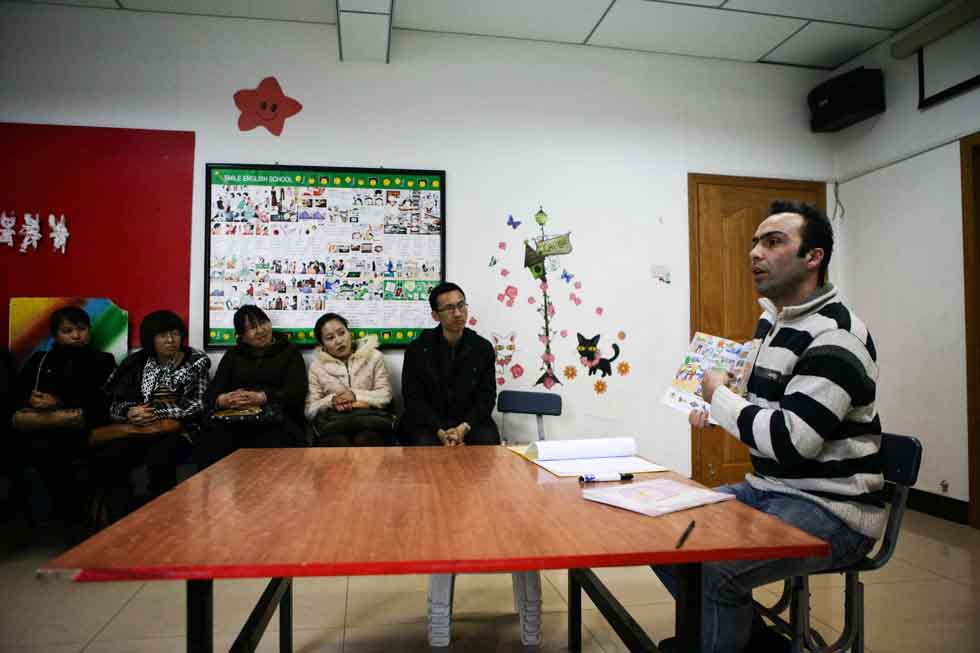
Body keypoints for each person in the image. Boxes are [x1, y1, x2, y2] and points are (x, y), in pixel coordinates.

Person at [655, 201, 884, 653]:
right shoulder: (771, 321)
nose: (755, 253)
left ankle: (730, 635)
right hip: (771, 488)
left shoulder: (837, 335)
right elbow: (760, 407)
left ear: (813, 257)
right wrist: (718, 403)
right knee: (663, 536)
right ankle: (745, 638)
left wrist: (720, 398)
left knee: (719, 570)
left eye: (773, 241)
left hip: (833, 509)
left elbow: (792, 441)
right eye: (754, 242)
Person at [92, 310, 210, 512]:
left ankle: (162, 517)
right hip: (137, 428)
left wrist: (155, 412)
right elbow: (113, 402)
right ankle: (120, 518)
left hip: (179, 429)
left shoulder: (195, 361)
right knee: (112, 455)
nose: (171, 340)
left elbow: (196, 404)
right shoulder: (135, 363)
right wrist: (130, 412)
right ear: (150, 339)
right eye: (163, 335)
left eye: (175, 334)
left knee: (162, 456)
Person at [13, 307, 115, 531]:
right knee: (38, 449)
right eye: (67, 331)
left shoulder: (102, 360)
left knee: (66, 453)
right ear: (55, 335)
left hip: (81, 426)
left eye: (81, 329)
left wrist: (59, 402)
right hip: (42, 427)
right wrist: (32, 400)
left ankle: (73, 518)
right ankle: (67, 516)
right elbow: (19, 393)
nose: (76, 336)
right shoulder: (39, 361)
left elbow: (103, 400)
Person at [198, 305, 307, 464]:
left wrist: (263, 397)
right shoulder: (233, 356)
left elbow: (297, 391)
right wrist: (223, 399)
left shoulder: (290, 352)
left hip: (277, 420)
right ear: (242, 335)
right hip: (236, 421)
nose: (261, 330)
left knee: (275, 443)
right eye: (252, 328)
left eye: (263, 323)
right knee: (210, 444)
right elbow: (210, 393)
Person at [399, 282, 499, 446]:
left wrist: (463, 428)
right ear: (435, 316)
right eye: (450, 308)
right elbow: (413, 398)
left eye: (461, 305)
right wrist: (439, 430)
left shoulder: (482, 348)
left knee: (487, 440)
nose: (458, 313)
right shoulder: (417, 349)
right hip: (428, 423)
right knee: (423, 443)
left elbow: (486, 397)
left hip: (468, 421)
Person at [305, 313, 394, 446]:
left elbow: (385, 395)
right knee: (335, 444)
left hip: (371, 420)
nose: (339, 340)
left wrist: (354, 395)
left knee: (366, 440)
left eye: (342, 333)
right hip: (334, 423)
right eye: (330, 338)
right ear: (322, 344)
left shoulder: (374, 357)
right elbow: (310, 409)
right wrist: (333, 400)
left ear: (350, 333)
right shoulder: (317, 367)